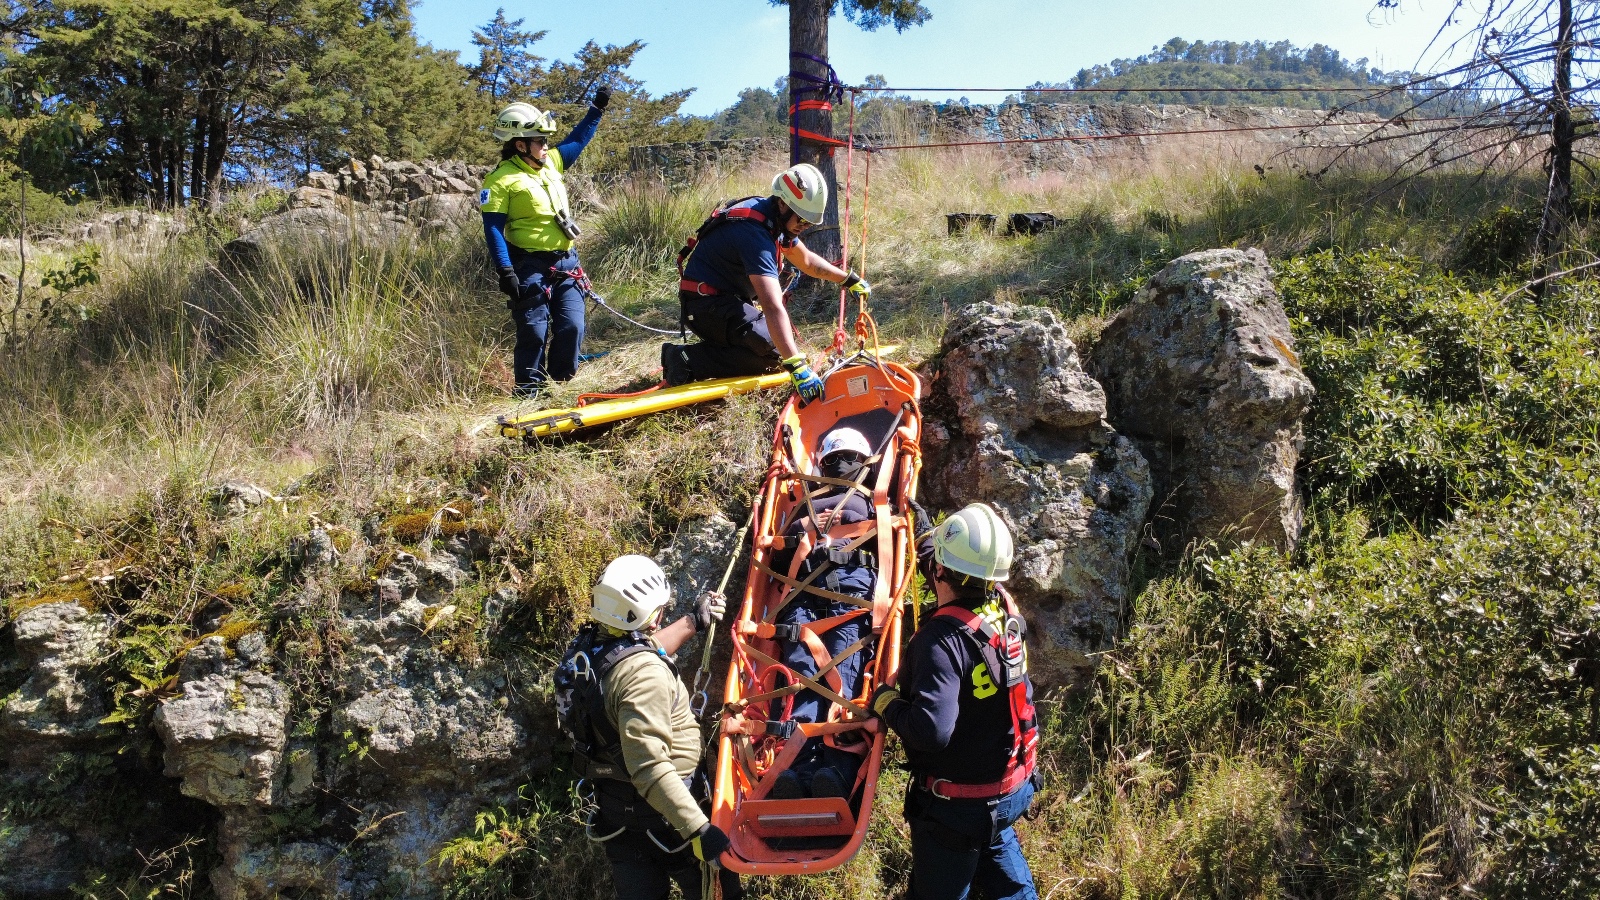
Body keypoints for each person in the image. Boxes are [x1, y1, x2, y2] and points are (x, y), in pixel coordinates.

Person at [868, 503, 1041, 900]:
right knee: (998, 854)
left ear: (942, 572)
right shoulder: (1002, 607)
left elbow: (931, 731)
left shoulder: (940, 644)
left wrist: (886, 702)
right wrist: (926, 531)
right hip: (1011, 785)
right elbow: (952, 567)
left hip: (961, 809)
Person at [554, 554, 743, 900]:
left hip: (617, 817)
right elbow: (649, 768)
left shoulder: (583, 653)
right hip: (671, 819)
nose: (662, 616)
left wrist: (693, 621)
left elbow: (633, 654)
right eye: (660, 609)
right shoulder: (645, 676)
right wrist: (700, 830)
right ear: (648, 614)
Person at [663, 163, 872, 402]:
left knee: (775, 347)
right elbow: (772, 305)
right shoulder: (755, 235)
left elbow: (805, 261)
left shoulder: (772, 218)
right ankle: (686, 359)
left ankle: (718, 351)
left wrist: (847, 279)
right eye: (801, 220)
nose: (803, 227)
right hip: (705, 308)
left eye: (809, 224)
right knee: (775, 355)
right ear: (783, 203)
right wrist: (797, 367)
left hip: (721, 303)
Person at [765, 426, 877, 800]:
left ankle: (796, 768)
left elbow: (777, 556)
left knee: (802, 675)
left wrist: (807, 531)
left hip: (802, 587)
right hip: (850, 586)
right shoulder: (870, 500)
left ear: (822, 463)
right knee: (842, 674)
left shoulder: (802, 506)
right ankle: (835, 769)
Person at [480, 88, 610, 398]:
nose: (546, 145)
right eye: (540, 141)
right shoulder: (499, 180)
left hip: (567, 262)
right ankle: (528, 392)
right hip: (528, 266)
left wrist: (596, 110)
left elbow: (578, 141)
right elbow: (494, 230)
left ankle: (560, 385)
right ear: (520, 144)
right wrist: (505, 272)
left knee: (572, 327)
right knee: (533, 331)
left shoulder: (550, 162)